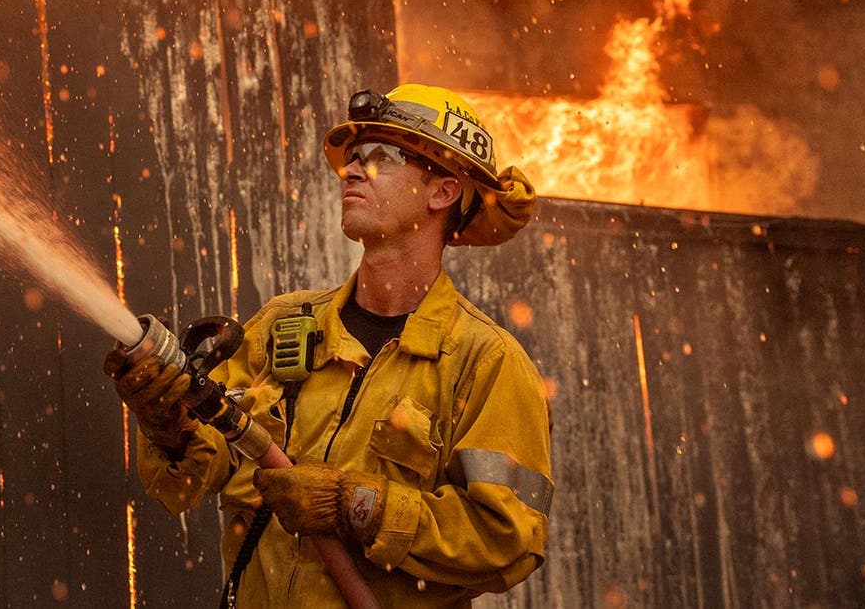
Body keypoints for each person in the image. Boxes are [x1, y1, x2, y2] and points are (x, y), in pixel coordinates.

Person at [105, 84, 553, 608]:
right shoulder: (282, 325)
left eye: (382, 156)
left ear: (443, 192)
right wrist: (169, 425)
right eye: (355, 157)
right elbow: (189, 481)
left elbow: (508, 542)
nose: (354, 170)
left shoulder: (487, 362)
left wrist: (356, 505)